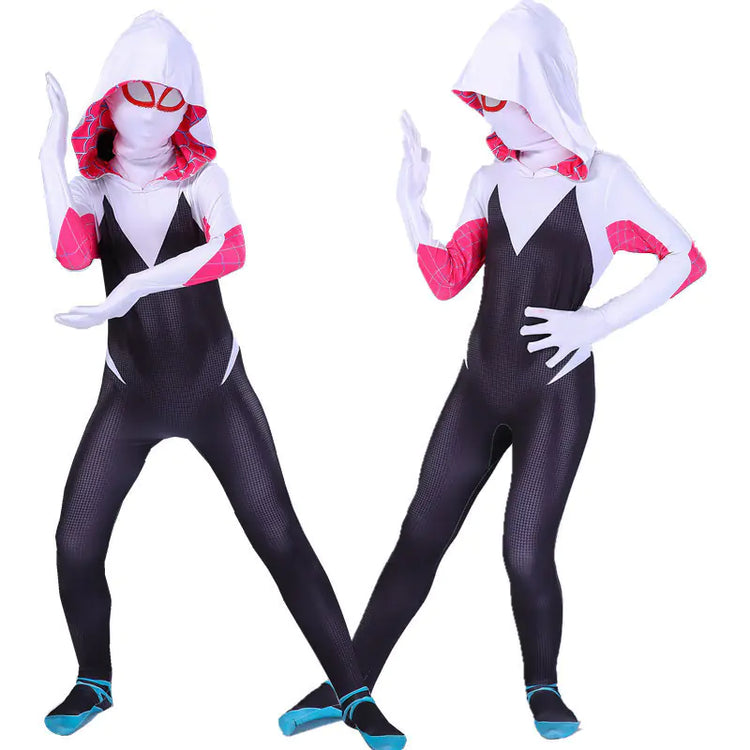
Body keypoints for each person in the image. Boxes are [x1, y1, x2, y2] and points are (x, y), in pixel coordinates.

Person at [278, 0, 705, 741]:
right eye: (480, 99)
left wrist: (599, 321)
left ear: (538, 92)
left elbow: (686, 259)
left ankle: (544, 687)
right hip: (478, 386)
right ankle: (348, 685)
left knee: (524, 550)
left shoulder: (605, 179)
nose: (484, 113)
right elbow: (447, 281)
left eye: (494, 98)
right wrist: (410, 206)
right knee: (419, 534)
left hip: (555, 394)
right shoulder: (488, 178)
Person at [39, 13, 404, 749]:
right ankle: (93, 679)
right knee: (74, 542)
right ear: (109, 96)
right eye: (137, 91)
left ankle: (354, 692)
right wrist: (48, 157)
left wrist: (134, 289)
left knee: (281, 538)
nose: (152, 110)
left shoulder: (203, 178)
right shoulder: (94, 186)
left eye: (169, 95)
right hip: (129, 394)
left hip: (217, 390)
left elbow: (232, 249)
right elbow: (72, 256)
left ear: (190, 105)